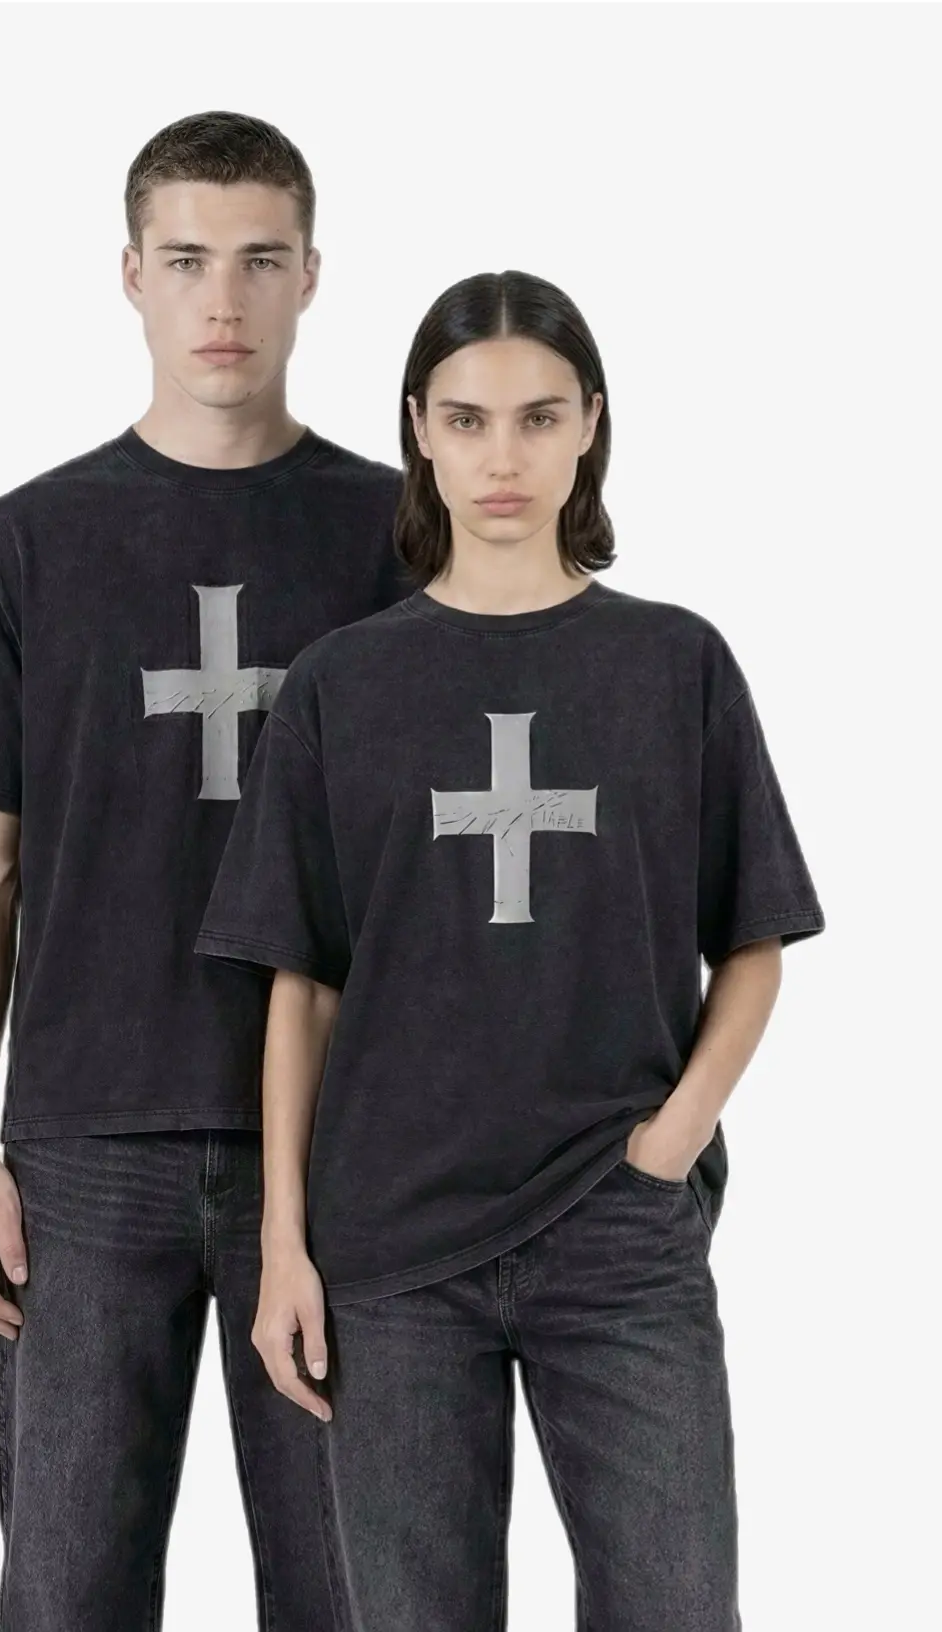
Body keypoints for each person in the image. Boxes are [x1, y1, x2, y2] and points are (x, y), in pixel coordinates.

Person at [195, 269, 826, 1631]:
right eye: (468, 420)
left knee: (674, 1606)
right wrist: (285, 1247)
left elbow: (755, 939)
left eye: (539, 418)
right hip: (391, 1247)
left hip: (617, 1229)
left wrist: (668, 1144)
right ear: (418, 430)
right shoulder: (342, 684)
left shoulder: (673, 665)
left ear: (589, 424)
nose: (503, 458)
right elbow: (301, 989)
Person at [0, 111, 407, 1631]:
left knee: (354, 1590)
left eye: (258, 260)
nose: (221, 300)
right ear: (129, 275)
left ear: (312, 275)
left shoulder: (398, 539)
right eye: (185, 261)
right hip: (82, 1147)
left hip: (339, 1151)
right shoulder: (25, 545)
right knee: (66, 1594)